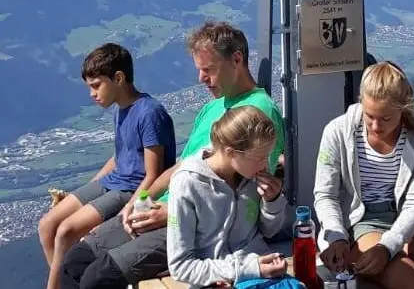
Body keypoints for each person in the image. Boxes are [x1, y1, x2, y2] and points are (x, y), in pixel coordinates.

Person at [59, 21, 287, 289]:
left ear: (236, 59)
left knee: (99, 277)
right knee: (74, 262)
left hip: (188, 223)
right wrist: (140, 200)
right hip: (160, 208)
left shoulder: (259, 112)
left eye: (208, 69)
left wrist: (172, 211)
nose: (201, 78)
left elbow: (245, 194)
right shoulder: (213, 107)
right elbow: (183, 166)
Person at [314, 61, 414, 289]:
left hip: (406, 218)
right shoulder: (337, 132)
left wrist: (388, 246)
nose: (375, 126)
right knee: (410, 283)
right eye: (369, 115)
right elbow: (325, 195)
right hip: (360, 221)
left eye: (386, 119)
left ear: (403, 109)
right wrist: (337, 238)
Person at [39, 43, 177, 289]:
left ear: (119, 78)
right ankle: (65, 283)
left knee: (65, 232)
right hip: (113, 180)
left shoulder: (149, 113)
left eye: (96, 85)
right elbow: (119, 156)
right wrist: (86, 189)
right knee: (47, 226)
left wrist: (134, 207)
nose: (92, 94)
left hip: (130, 189)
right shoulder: (120, 110)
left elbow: (153, 174)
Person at [165, 105, 295, 287]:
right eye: (259, 157)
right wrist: (247, 270)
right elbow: (181, 267)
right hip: (216, 280)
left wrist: (272, 202)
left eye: (268, 156)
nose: (266, 165)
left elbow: (269, 232)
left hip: (261, 271)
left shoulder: (251, 177)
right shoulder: (188, 184)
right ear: (231, 153)